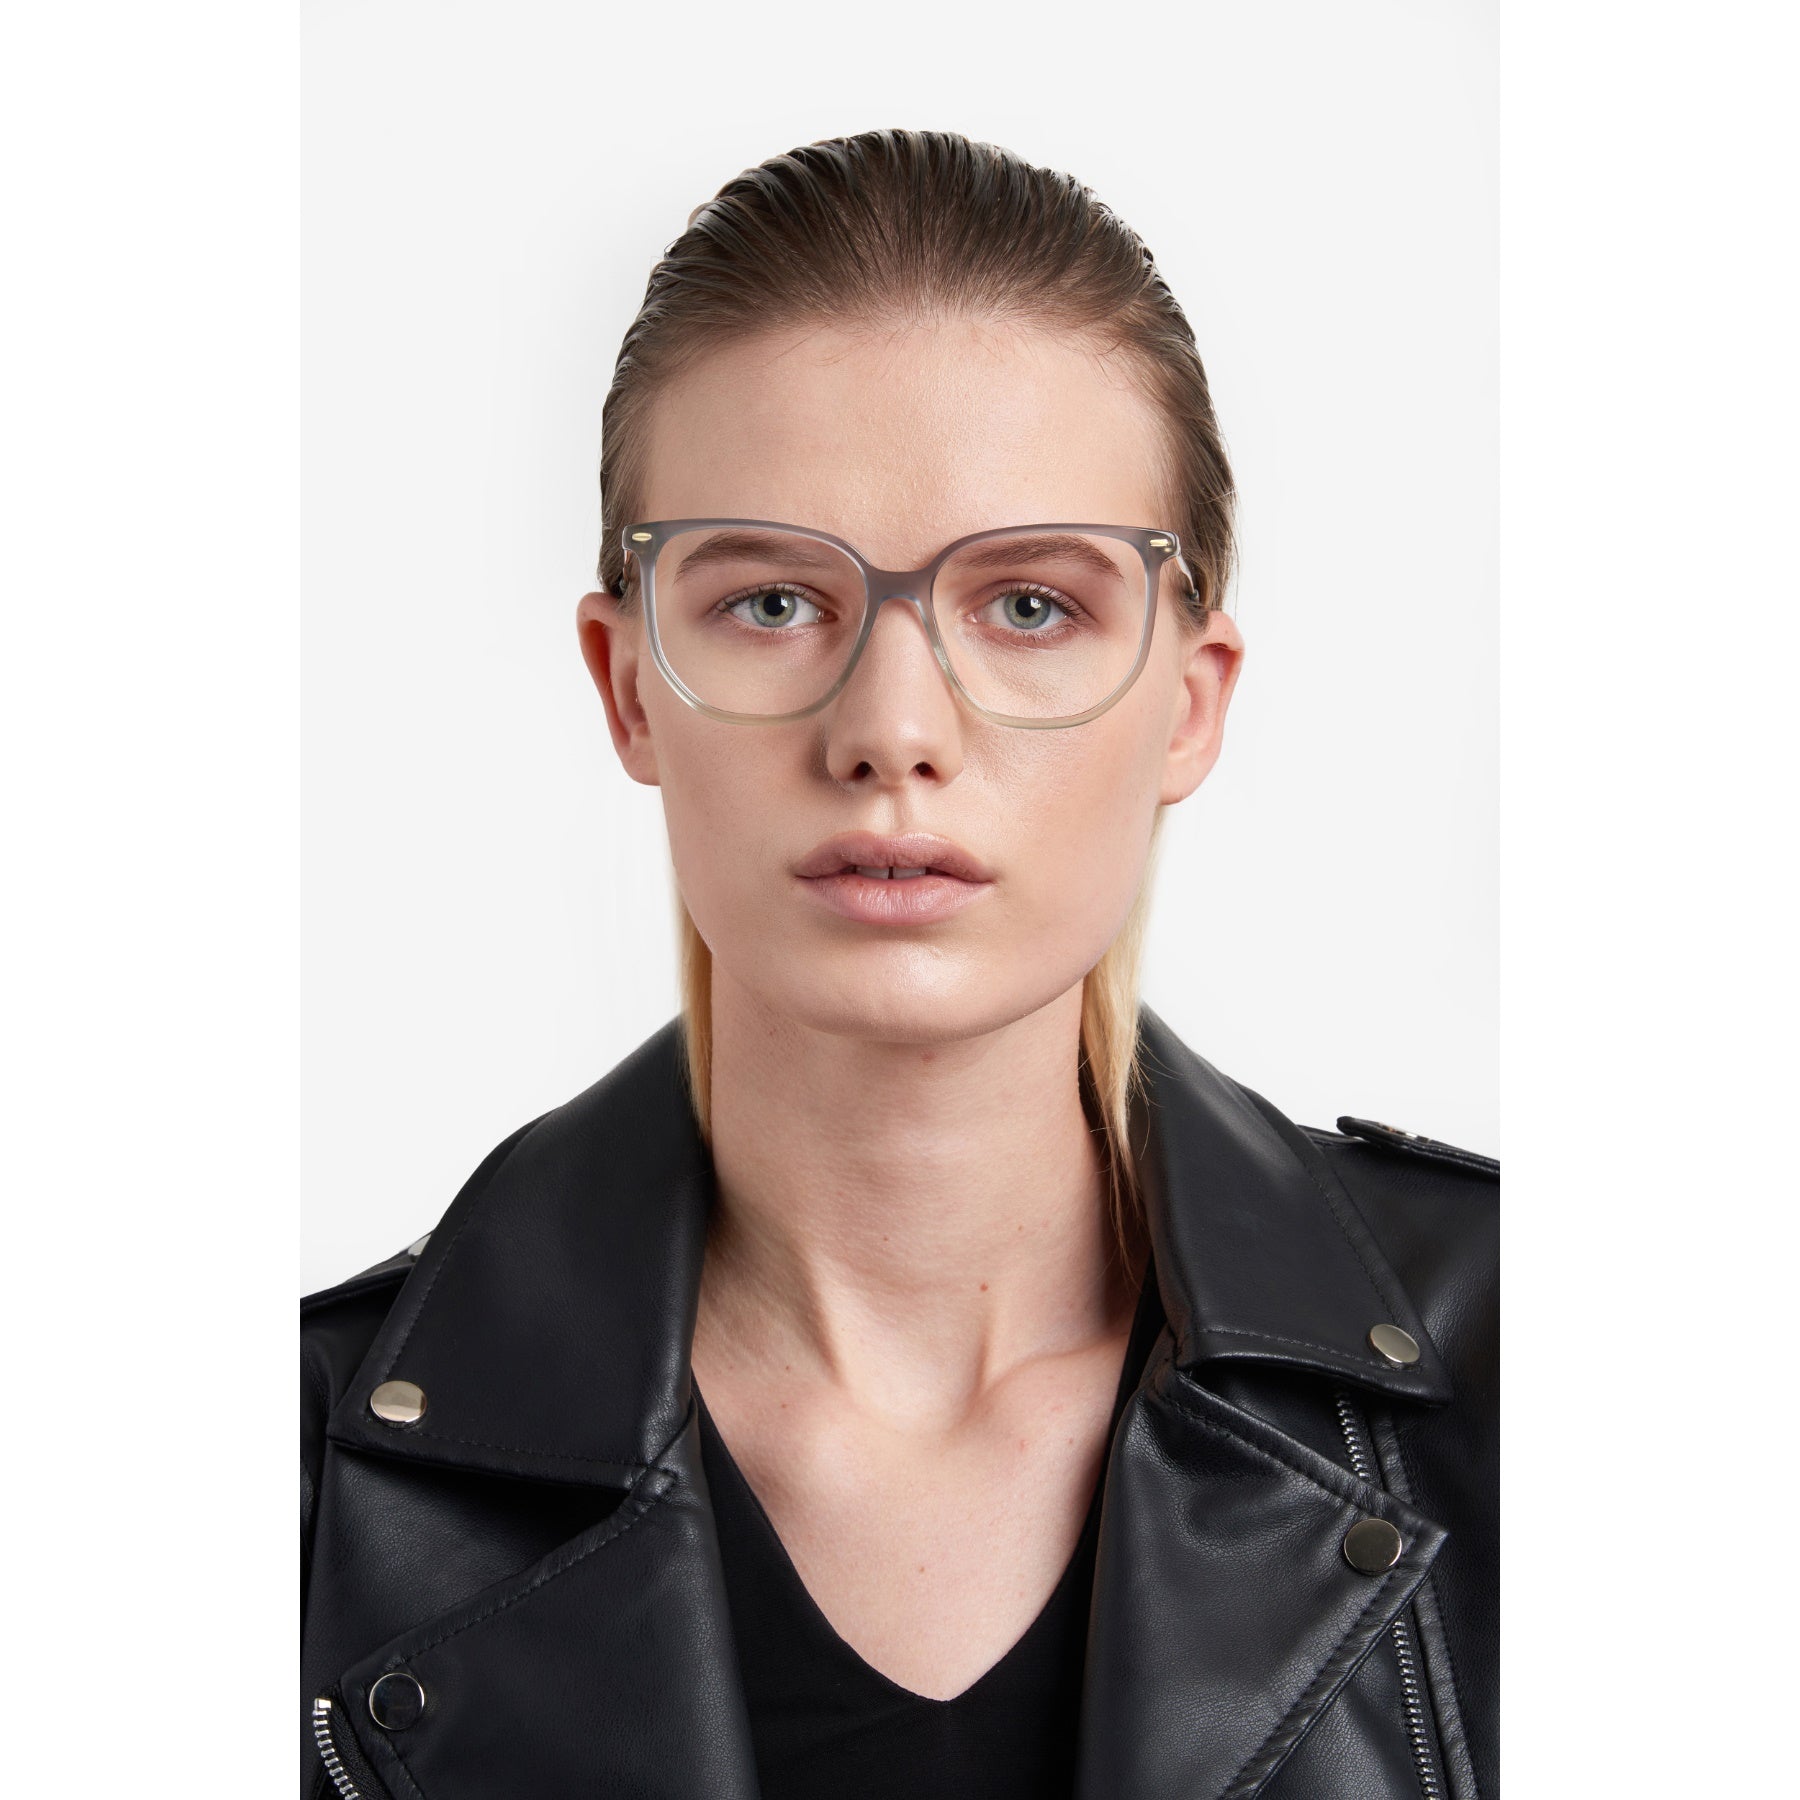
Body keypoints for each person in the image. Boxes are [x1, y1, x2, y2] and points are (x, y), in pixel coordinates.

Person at [301, 129, 1498, 1800]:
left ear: (1190, 702)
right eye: (772, 603)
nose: (892, 732)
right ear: (629, 686)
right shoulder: (295, 1475)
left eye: (1031, 606)